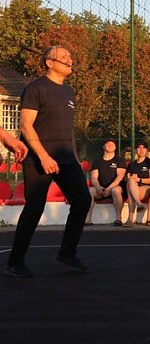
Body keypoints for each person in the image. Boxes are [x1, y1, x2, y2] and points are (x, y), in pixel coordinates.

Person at [6, 46, 91, 278]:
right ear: (49, 63)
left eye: (70, 56)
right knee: (34, 208)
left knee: (83, 200)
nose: (69, 60)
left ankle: (67, 254)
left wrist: (74, 158)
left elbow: (66, 131)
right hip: (38, 159)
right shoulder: (35, 88)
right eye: (63, 57)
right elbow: (26, 126)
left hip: (66, 159)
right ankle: (15, 262)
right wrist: (44, 157)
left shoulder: (70, 92)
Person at [86, 139, 126, 226]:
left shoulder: (120, 160)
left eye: (112, 144)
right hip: (101, 189)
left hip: (115, 187)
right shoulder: (97, 161)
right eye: (108, 144)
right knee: (90, 191)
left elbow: (120, 177)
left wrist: (109, 188)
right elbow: (94, 178)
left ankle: (118, 219)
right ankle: (87, 219)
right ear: (103, 146)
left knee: (115, 190)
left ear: (115, 147)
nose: (110, 145)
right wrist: (98, 187)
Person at [125, 141, 150, 226]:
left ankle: (130, 219)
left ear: (146, 150)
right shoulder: (131, 165)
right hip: (134, 187)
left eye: (143, 148)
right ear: (136, 150)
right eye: (139, 148)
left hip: (147, 188)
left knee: (131, 191)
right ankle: (138, 203)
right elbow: (128, 178)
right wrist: (133, 179)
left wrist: (139, 179)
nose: (141, 150)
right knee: (131, 183)